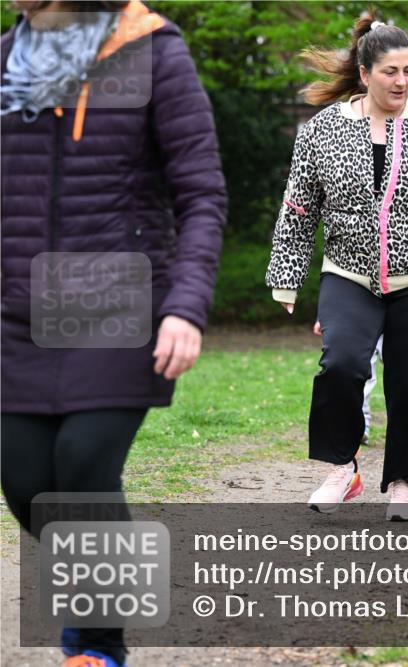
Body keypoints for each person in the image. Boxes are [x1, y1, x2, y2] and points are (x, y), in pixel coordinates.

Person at [1, 1, 226, 664]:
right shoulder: (7, 59)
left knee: (83, 462)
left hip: (120, 303)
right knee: (26, 483)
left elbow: (201, 193)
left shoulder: (153, 52)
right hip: (16, 312)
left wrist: (186, 306)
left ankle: (97, 646)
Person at [266, 17, 408, 521]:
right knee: (341, 365)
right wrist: (286, 274)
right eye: (390, 72)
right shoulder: (322, 130)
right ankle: (342, 466)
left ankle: (403, 483)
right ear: (365, 73)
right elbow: (299, 208)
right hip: (349, 272)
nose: (401, 81)